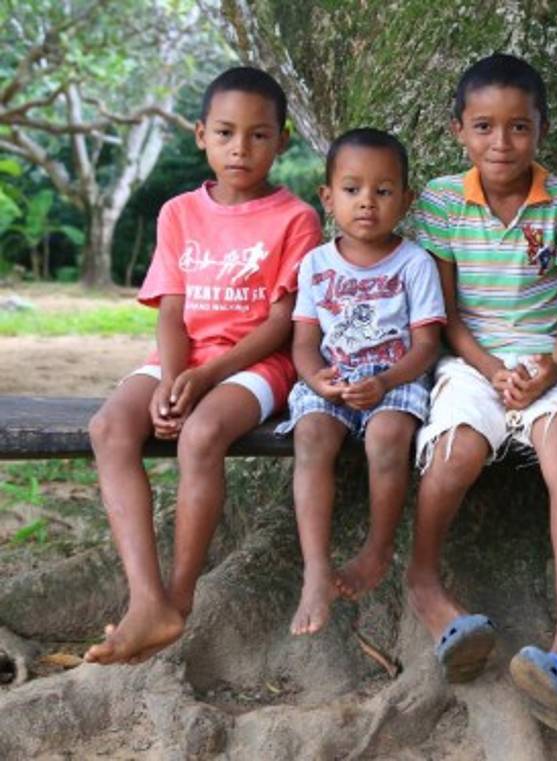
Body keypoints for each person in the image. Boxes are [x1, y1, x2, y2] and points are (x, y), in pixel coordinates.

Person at [85, 66, 322, 664]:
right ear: (200, 136)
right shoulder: (178, 213)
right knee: (109, 428)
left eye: (258, 135)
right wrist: (171, 378)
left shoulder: (296, 219)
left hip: (254, 365)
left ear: (283, 140)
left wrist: (203, 379)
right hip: (180, 358)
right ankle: (147, 599)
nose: (240, 148)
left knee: (202, 434)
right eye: (225, 133)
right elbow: (171, 310)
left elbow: (280, 323)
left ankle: (180, 597)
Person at [406, 53, 557, 732]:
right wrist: (491, 369)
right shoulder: (441, 201)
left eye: (518, 127)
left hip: (550, 360)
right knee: (454, 451)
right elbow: (447, 314)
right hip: (471, 360)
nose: (501, 143)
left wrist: (550, 364)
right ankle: (424, 582)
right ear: (459, 129)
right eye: (484, 126)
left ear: (540, 129)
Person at [276, 128, 444, 636]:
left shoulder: (415, 263)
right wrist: (317, 379)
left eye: (383, 191)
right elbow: (304, 342)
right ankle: (315, 568)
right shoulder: (316, 264)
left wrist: (385, 381)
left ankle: (377, 548)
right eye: (352, 190)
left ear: (406, 200)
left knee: (388, 436)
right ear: (328, 198)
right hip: (331, 379)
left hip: (395, 378)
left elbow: (427, 347)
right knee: (310, 437)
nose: (366, 203)